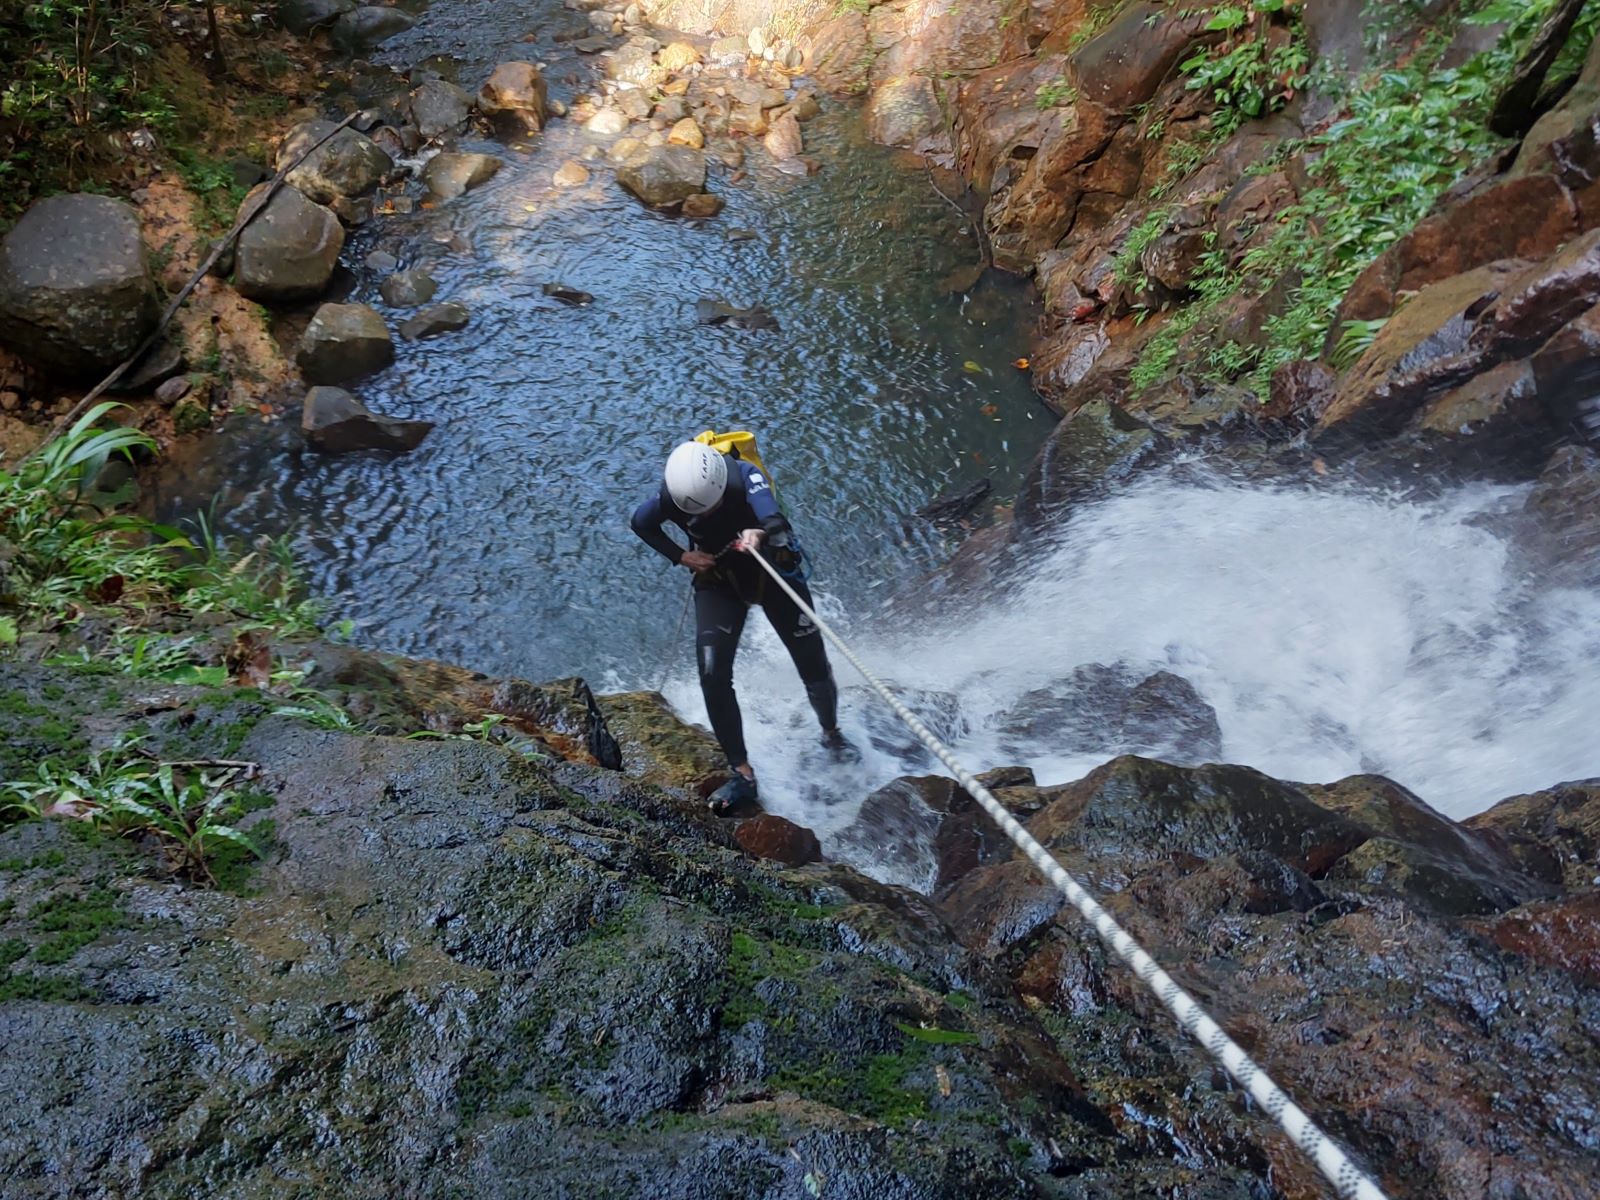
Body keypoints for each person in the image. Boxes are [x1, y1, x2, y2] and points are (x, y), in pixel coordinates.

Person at [631, 440, 859, 813]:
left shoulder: (744, 476)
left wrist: (759, 532)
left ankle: (832, 733)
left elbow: (770, 513)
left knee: (811, 661)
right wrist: (681, 556)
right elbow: (641, 523)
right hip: (720, 580)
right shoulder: (672, 497)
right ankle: (742, 773)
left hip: (771, 571)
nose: (712, 511)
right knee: (712, 672)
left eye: (714, 504)